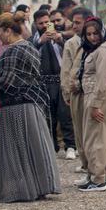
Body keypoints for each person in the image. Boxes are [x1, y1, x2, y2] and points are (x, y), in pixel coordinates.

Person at [0, 14, 60, 203]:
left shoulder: (12, 51)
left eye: (0, 31)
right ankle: (40, 186)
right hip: (32, 104)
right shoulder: (30, 47)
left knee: (17, 149)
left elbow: (7, 81)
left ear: (8, 31)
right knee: (34, 148)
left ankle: (21, 190)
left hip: (15, 106)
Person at [76, 17, 106, 192]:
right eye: (88, 34)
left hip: (101, 94)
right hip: (102, 93)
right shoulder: (101, 48)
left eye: (95, 33)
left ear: (102, 31)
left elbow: (101, 79)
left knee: (97, 137)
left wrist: (95, 105)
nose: (92, 37)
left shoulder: (103, 49)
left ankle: (98, 179)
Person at [32, 9, 76, 157]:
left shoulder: (60, 37)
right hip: (43, 82)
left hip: (60, 79)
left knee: (65, 114)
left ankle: (71, 146)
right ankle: (51, 146)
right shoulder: (33, 40)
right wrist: (40, 42)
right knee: (48, 116)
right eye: (41, 23)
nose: (44, 25)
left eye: (46, 22)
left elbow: (72, 54)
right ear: (36, 24)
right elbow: (30, 55)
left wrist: (60, 41)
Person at [61, 7, 90, 172]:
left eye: (78, 23)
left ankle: (98, 168)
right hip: (76, 93)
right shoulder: (71, 43)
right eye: (73, 22)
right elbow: (66, 70)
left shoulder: (100, 42)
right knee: (79, 129)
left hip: (92, 92)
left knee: (93, 131)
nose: (74, 26)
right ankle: (86, 164)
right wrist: (66, 91)